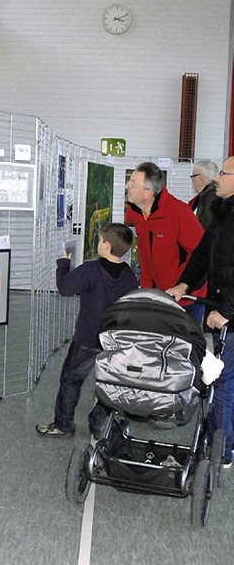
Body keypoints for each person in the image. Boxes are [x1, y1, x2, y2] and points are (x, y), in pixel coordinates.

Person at [36, 223, 138, 438]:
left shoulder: (91, 269)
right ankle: (99, 424)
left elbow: (65, 288)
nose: (98, 243)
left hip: (87, 337)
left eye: (100, 239)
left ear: (106, 245)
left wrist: (64, 264)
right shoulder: (129, 275)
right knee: (110, 382)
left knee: (71, 380)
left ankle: (63, 425)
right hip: (115, 341)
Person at [167, 155, 234, 468]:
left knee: (223, 381)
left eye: (223, 173)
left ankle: (223, 450)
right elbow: (202, 255)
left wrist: (227, 311)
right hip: (221, 308)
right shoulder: (222, 213)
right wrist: (183, 284)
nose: (216, 178)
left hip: (229, 315)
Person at [125, 161, 205, 322]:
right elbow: (145, 257)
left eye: (133, 183)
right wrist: (147, 291)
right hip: (158, 297)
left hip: (185, 299)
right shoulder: (138, 215)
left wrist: (182, 285)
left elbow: (201, 254)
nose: (127, 186)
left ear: (147, 193)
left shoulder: (178, 213)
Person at [188, 159, 218, 231]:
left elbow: (205, 226)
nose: (193, 181)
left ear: (201, 178)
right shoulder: (203, 196)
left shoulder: (210, 197)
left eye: (193, 176)